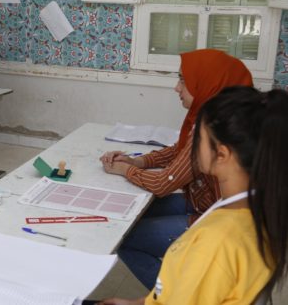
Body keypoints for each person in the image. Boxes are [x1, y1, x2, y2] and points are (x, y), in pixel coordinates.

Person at [98, 86, 288, 304]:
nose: (191, 143)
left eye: (198, 137)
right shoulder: (258, 207)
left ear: (221, 154)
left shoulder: (213, 244)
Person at [99, 49, 253, 289]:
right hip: (203, 202)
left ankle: (175, 294)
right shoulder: (217, 116)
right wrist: (138, 162)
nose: (176, 88)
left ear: (207, 82)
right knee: (134, 212)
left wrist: (123, 170)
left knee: (124, 237)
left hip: (217, 221)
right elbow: (179, 151)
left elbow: (162, 184)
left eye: (183, 79)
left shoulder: (216, 129)